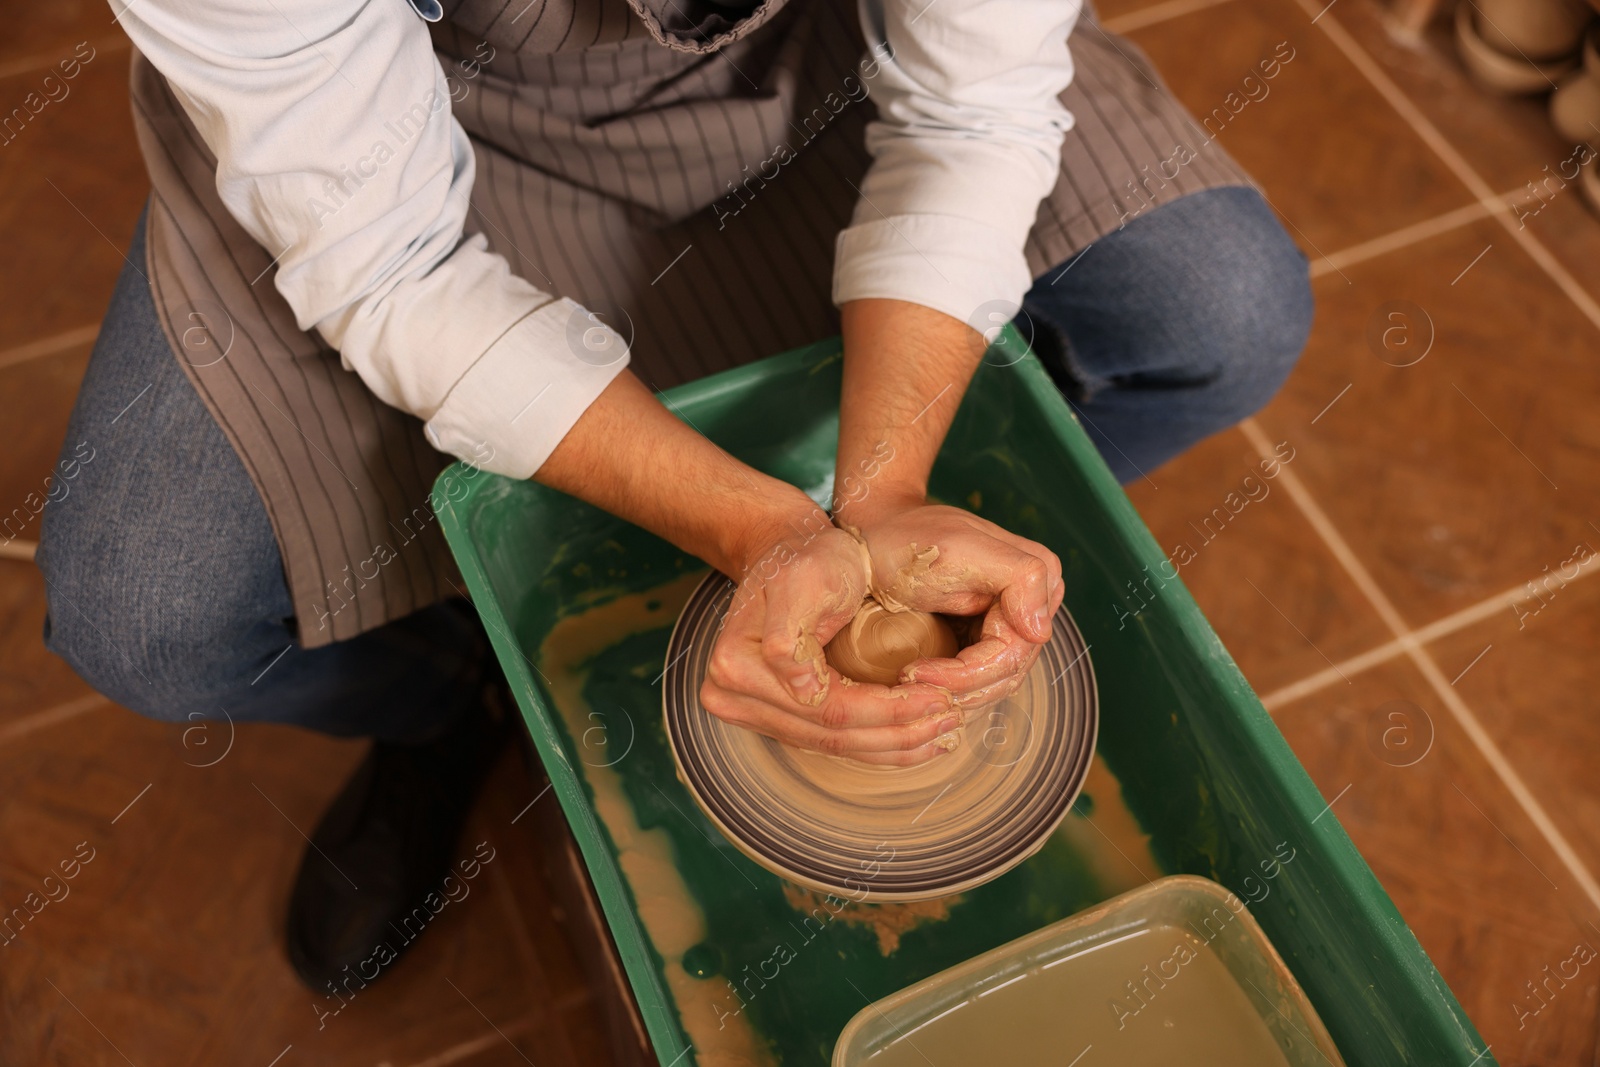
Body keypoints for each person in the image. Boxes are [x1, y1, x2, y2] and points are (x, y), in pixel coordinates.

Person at [40, 0, 1311, 992]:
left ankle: (761, 540)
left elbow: (972, 112)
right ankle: (459, 695)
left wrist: (884, 490)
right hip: (417, 132)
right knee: (151, 613)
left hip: (817, 71)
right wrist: (755, 530)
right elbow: (393, 266)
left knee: (1220, 310)